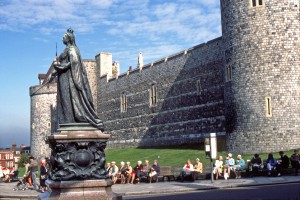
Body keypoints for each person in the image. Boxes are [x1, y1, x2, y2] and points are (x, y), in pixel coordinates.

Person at [48, 28, 104, 130]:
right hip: (64, 78)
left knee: (68, 100)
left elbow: (73, 63)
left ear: (69, 38)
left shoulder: (72, 50)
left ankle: (71, 121)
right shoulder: (68, 49)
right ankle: (68, 121)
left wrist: (59, 67)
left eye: (64, 36)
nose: (62, 38)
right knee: (65, 101)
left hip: (69, 80)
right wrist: (56, 71)